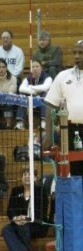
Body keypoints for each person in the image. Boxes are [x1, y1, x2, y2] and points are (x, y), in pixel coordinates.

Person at [44, 40, 83, 176]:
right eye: (75, 53)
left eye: (81, 53)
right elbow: (50, 105)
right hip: (69, 132)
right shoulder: (63, 76)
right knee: (74, 172)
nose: (77, 56)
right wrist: (48, 135)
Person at [2, 167, 49, 251]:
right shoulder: (16, 190)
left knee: (23, 227)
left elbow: (42, 212)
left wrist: (26, 219)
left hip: (36, 223)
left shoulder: (41, 191)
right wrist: (15, 218)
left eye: (30, 175)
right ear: (21, 177)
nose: (27, 177)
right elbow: (10, 209)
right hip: (18, 223)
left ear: (36, 178)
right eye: (25, 174)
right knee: (6, 229)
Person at [15, 60, 52, 130]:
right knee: (22, 95)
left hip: (44, 101)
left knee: (45, 94)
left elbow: (45, 87)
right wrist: (34, 92)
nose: (35, 68)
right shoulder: (28, 77)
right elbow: (21, 88)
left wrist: (31, 88)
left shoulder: (48, 77)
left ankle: (43, 122)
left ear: (41, 68)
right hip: (31, 100)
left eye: (37, 66)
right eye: (33, 67)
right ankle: (20, 122)